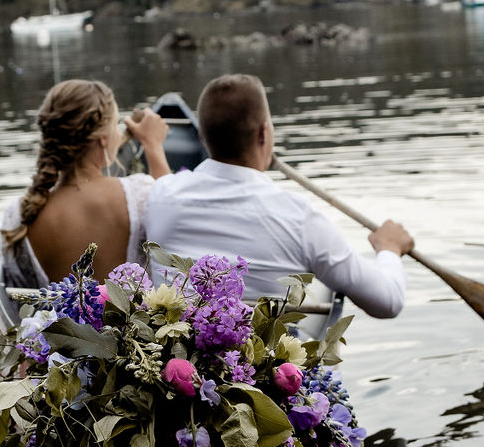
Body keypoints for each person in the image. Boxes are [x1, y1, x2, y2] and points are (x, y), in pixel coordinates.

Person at [144, 73, 413, 323]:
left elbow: (166, 185)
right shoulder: (299, 218)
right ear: (263, 134)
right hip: (269, 372)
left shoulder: (159, 196)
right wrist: (388, 248)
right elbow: (387, 301)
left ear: (202, 136)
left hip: (179, 367)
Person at [0, 79, 170, 324]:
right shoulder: (141, 192)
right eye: (115, 125)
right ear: (102, 139)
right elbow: (177, 219)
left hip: (60, 358)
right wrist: (153, 145)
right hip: (136, 353)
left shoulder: (19, 214)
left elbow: (19, 301)